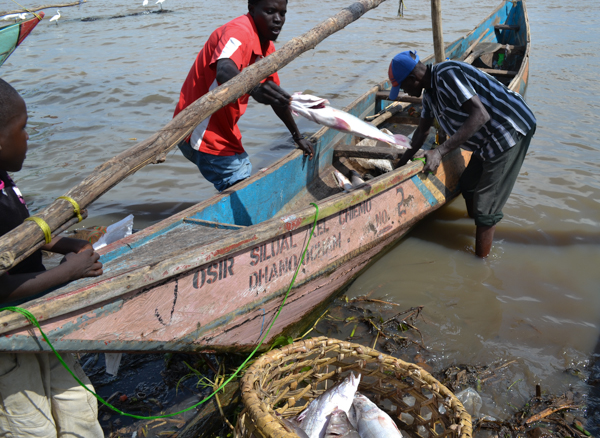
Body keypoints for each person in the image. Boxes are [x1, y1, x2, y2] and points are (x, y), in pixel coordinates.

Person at [0, 78, 104, 437]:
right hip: (6, 336)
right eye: (22, 128)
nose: (28, 136)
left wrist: (62, 244)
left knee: (78, 406)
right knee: (31, 427)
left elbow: (17, 235)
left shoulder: (3, 178)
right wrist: (68, 273)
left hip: (39, 317)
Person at [389, 50, 536, 258]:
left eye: (403, 87)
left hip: (509, 129)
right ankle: (474, 227)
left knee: (486, 206)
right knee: (468, 185)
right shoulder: (430, 94)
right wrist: (401, 164)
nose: (403, 92)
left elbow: (480, 115)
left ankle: (480, 265)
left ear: (413, 79)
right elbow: (422, 131)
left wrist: (439, 151)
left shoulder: (447, 74)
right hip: (487, 138)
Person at [173, 0, 314, 192]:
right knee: (240, 182)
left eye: (282, 13)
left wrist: (297, 136)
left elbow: (276, 98)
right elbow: (224, 69)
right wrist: (255, 89)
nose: (278, 20)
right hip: (200, 128)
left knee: (242, 172)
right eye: (270, 12)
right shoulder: (239, 31)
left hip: (223, 130)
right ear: (252, 9)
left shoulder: (265, 46)